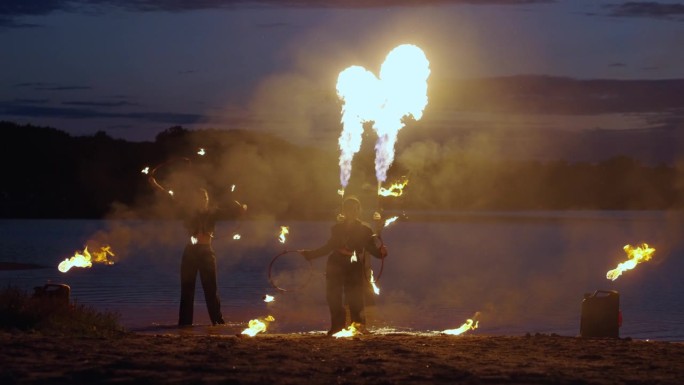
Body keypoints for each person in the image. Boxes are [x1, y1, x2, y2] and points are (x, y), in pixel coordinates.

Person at [149, 177, 246, 327]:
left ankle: (218, 323)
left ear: (207, 199)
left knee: (211, 289)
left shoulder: (214, 213)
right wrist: (155, 185)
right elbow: (171, 198)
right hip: (190, 253)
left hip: (206, 252)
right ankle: (185, 325)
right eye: (199, 198)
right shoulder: (188, 212)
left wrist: (242, 209)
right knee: (187, 289)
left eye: (205, 197)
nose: (202, 200)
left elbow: (233, 213)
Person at [299, 196, 388, 336]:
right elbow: (329, 247)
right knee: (333, 296)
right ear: (344, 210)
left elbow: (372, 250)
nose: (351, 211)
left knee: (356, 297)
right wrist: (310, 254)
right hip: (335, 264)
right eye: (348, 208)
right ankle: (337, 327)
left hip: (353, 266)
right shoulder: (336, 228)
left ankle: (358, 327)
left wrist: (382, 253)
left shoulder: (365, 230)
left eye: (354, 209)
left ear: (359, 210)